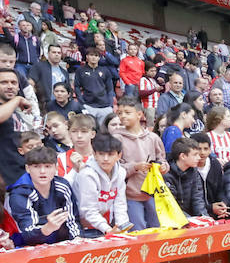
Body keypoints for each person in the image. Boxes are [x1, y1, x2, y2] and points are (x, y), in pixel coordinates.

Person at [109, 97, 164, 230]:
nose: (123, 116)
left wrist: (163, 167)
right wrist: (134, 167)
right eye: (120, 113)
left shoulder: (153, 137)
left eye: (127, 112)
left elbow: (162, 159)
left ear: (139, 114)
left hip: (153, 192)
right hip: (130, 194)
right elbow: (113, 167)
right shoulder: (117, 138)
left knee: (158, 230)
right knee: (137, 231)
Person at [7, 146, 80, 244]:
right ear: (28, 168)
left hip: (61, 242)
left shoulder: (62, 186)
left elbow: (73, 220)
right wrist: (47, 228)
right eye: (36, 167)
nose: (42, 171)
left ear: (56, 168)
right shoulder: (20, 193)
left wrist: (77, 238)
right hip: (26, 245)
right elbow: (26, 233)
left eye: (47, 166)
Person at [0, 68, 35, 189]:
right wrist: (18, 99)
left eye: (14, 83)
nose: (10, 86)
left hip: (22, 175)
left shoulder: (16, 113)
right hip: (5, 180)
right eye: (4, 82)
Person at [73, 133, 129, 236]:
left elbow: (120, 203)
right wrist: (108, 230)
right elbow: (89, 210)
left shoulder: (121, 172)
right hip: (80, 225)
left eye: (110, 154)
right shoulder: (87, 174)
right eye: (101, 154)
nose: (106, 159)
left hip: (102, 223)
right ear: (94, 154)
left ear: (119, 155)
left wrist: (123, 228)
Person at [164, 137, 208, 218]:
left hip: (189, 218)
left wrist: (204, 217)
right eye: (195, 154)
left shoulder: (194, 172)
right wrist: (189, 220)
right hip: (171, 219)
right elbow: (171, 204)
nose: (199, 157)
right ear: (183, 156)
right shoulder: (166, 174)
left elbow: (197, 198)